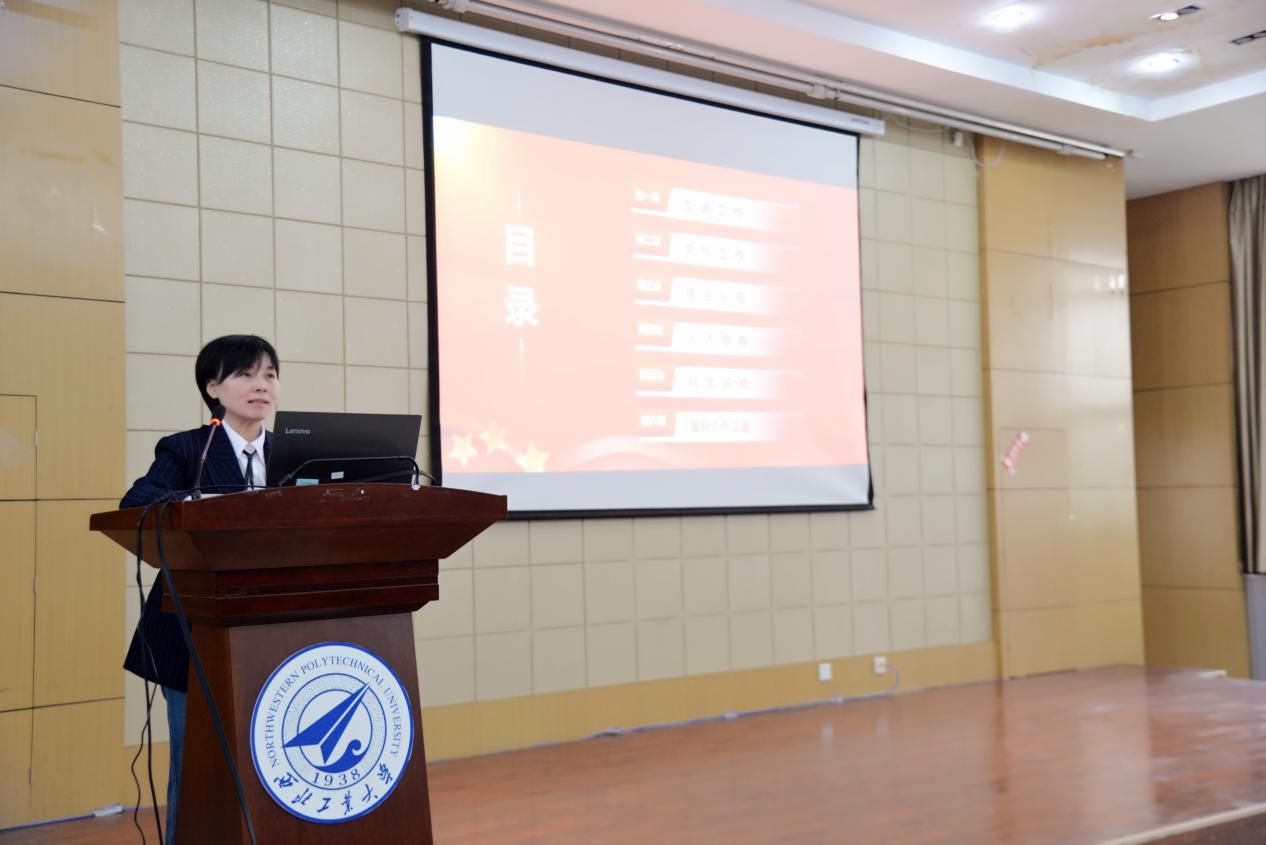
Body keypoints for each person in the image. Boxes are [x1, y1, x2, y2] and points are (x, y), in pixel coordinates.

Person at [121, 334, 280, 841]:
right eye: (246, 374)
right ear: (213, 388)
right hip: (194, 631)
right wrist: (204, 504)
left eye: (270, 375)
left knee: (270, 764)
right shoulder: (188, 447)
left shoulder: (290, 453)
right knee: (196, 768)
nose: (261, 385)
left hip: (276, 628)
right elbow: (136, 504)